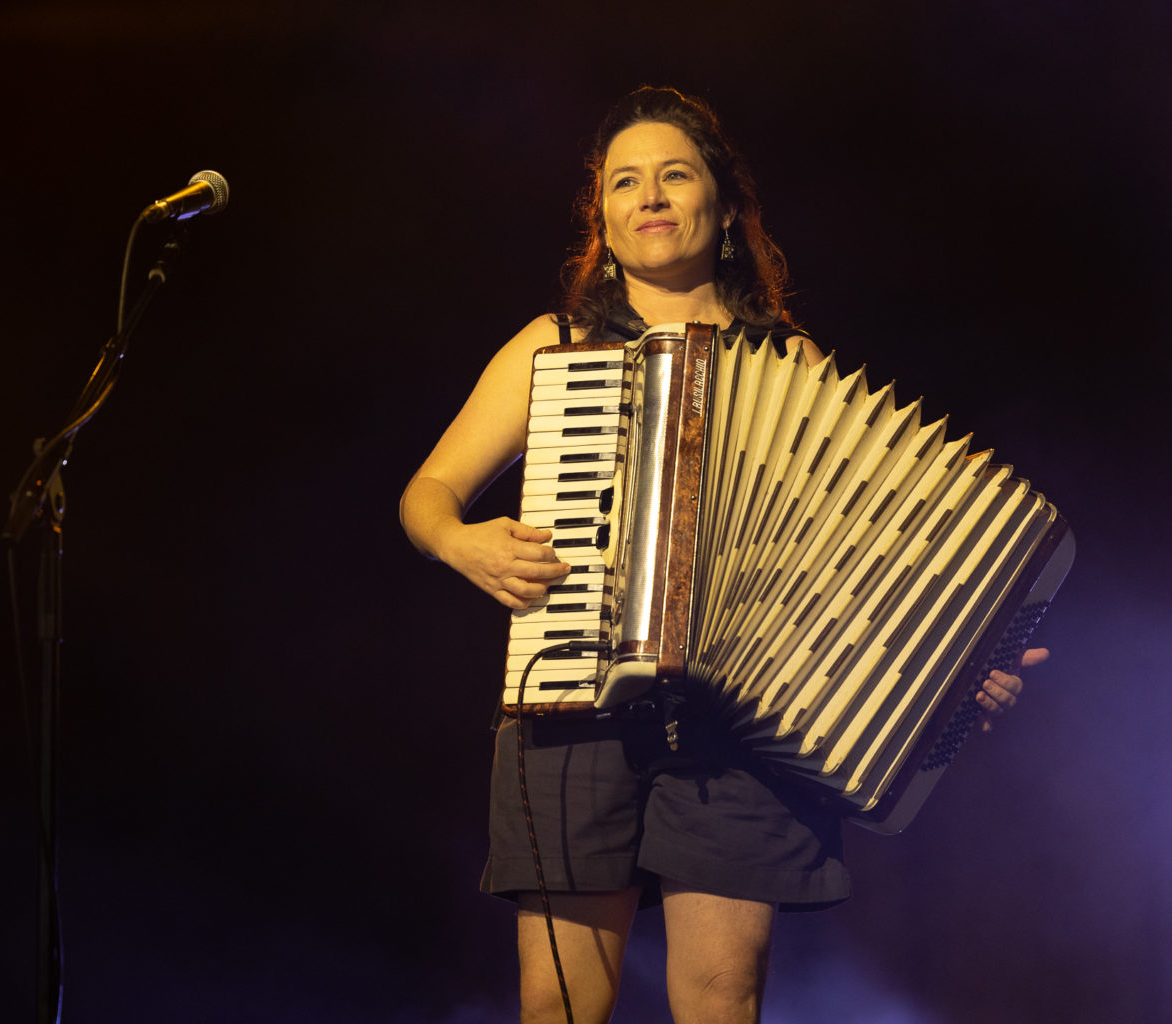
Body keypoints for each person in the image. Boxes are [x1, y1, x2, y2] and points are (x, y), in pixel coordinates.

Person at [399, 86, 1045, 1024]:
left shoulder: (796, 366)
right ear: (602, 217)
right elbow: (428, 494)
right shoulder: (557, 346)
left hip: (740, 731)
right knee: (558, 1006)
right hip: (575, 707)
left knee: (721, 1003)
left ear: (725, 205)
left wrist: (958, 665)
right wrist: (462, 542)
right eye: (625, 182)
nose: (650, 196)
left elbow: (866, 565)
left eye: (675, 174)